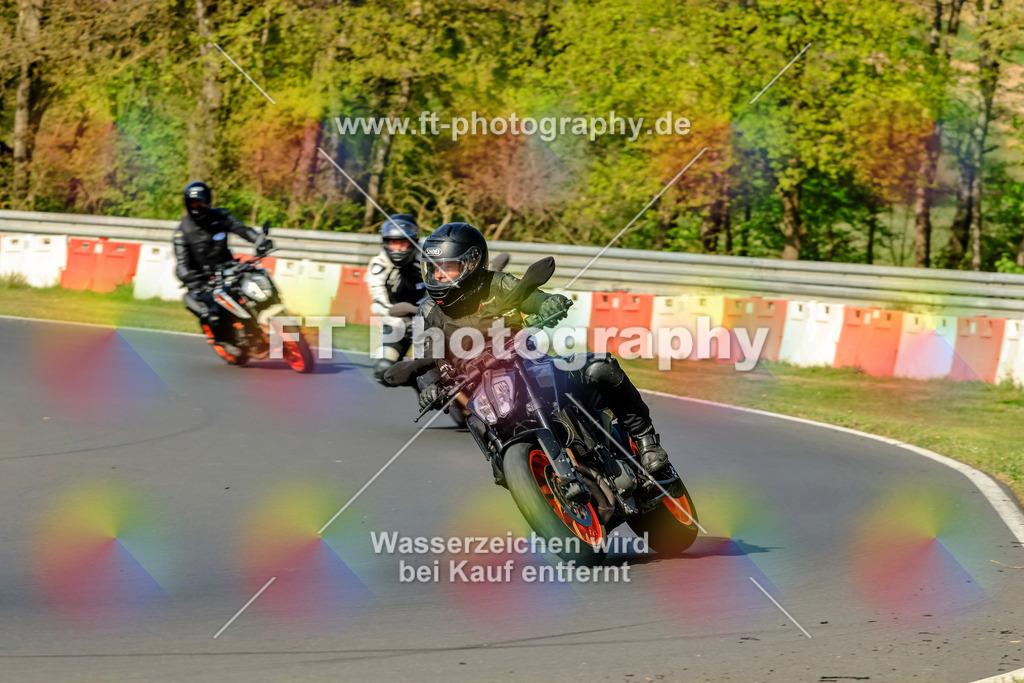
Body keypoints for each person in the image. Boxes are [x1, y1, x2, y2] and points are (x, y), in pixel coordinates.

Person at [414, 222, 670, 476]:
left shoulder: (497, 284)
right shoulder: (428, 312)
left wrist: (549, 304)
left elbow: (532, 297)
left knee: (600, 368)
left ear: (472, 264)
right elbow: (425, 360)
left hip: (531, 366)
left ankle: (646, 441)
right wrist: (429, 388)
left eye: (448, 268)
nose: (439, 277)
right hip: (484, 393)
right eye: (434, 269)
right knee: (499, 466)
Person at [173, 181, 272, 360]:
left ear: (208, 201)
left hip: (230, 268)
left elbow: (242, 229)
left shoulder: (220, 216)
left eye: (200, 202)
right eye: (193, 203)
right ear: (187, 204)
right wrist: (191, 279)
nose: (197, 206)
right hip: (205, 280)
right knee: (213, 312)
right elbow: (182, 263)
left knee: (260, 277)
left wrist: (259, 240)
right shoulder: (183, 232)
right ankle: (225, 340)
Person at [366, 213, 425, 385]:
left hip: (431, 315)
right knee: (384, 372)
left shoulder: (430, 255)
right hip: (398, 321)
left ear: (413, 241)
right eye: (393, 243)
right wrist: (400, 322)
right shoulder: (378, 265)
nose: (397, 249)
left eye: (403, 243)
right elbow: (378, 304)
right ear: (385, 243)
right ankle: (418, 381)